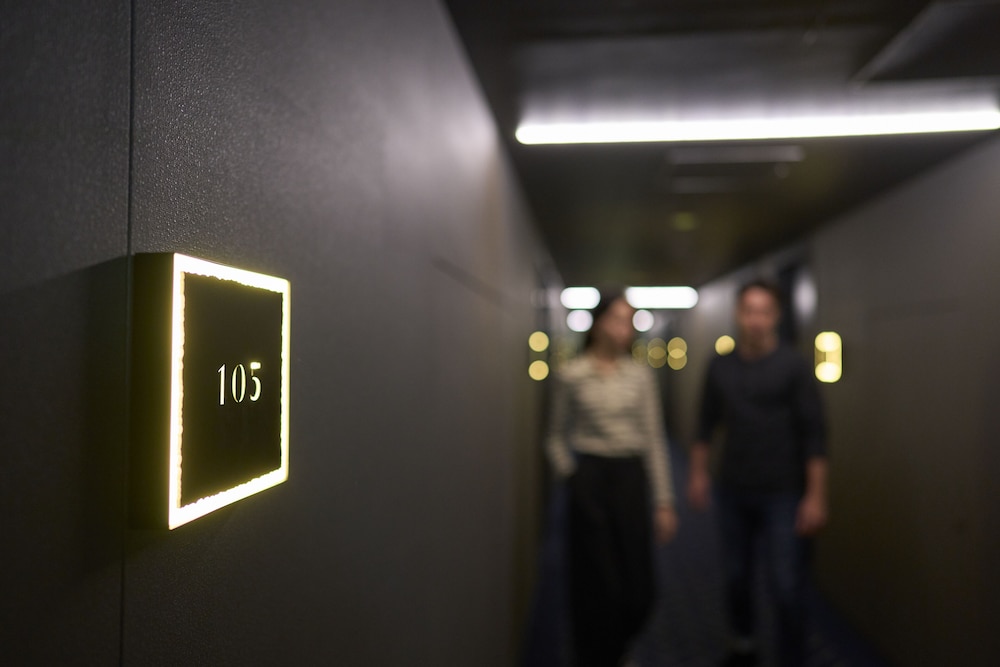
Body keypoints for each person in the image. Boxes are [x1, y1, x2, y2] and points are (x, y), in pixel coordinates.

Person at [687, 279, 827, 667]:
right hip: (734, 488)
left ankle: (791, 656)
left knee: (786, 584)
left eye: (764, 312)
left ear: (776, 316)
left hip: (784, 491)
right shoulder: (721, 366)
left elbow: (815, 434)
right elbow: (705, 424)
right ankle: (743, 644)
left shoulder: (793, 366)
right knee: (736, 577)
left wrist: (816, 495)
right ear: (738, 314)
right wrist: (697, 474)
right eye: (749, 311)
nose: (756, 320)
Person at [546, 290, 678, 667]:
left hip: (629, 478)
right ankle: (601, 655)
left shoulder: (640, 376)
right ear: (598, 323)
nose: (625, 329)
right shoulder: (572, 375)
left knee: (639, 586)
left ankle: (620, 643)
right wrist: (571, 477)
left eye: (629, 321)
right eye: (618, 319)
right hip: (590, 477)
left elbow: (654, 439)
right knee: (596, 579)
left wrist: (664, 501)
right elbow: (555, 436)